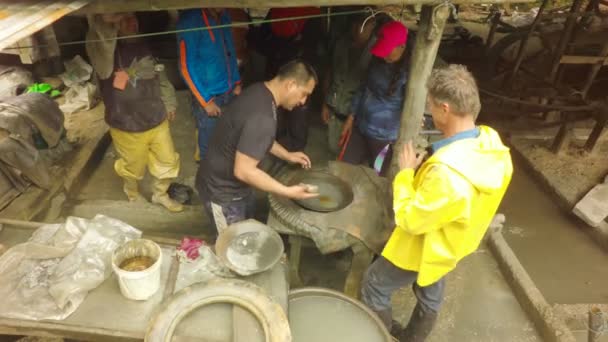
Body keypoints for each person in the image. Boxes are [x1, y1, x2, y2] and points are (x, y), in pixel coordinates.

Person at [360, 65, 514, 341]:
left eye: (430, 105)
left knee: (374, 285)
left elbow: (410, 218)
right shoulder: (493, 144)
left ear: (444, 108)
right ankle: (414, 338)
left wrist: (407, 173)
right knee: (431, 289)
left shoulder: (447, 175)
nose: (427, 110)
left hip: (424, 245)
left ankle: (381, 335)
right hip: (454, 243)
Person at [196, 60, 319, 235]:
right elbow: (244, 171)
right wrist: (287, 191)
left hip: (235, 187)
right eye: (304, 94)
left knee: (246, 233)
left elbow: (256, 138)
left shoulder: (259, 91)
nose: (303, 101)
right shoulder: (263, 116)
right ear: (291, 84)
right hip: (222, 193)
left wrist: (287, 155)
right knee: (232, 246)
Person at [87, 13, 183, 212]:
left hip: (156, 118)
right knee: (133, 167)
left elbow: (160, 75)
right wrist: (106, 24)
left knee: (167, 160)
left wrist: (170, 102)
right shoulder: (103, 52)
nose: (131, 22)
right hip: (126, 124)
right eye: (123, 19)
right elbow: (98, 36)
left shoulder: (145, 44)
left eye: (133, 18)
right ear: (113, 25)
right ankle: (132, 193)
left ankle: (160, 194)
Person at [339, 20, 410, 175]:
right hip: (360, 128)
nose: (384, 55)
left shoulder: (410, 74)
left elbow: (413, 109)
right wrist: (350, 118)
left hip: (383, 139)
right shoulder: (377, 60)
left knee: (378, 174)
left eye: (388, 50)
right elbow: (363, 87)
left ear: (402, 47)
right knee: (344, 169)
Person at [177, 8, 241, 161]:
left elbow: (230, 50)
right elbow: (186, 66)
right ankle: (208, 177)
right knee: (209, 143)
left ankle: (221, 170)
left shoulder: (224, 15)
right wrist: (205, 101)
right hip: (209, 96)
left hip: (229, 89)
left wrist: (237, 81)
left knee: (227, 135)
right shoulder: (190, 20)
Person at [322, 10, 377, 156]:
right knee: (333, 148)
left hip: (358, 119)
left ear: (371, 27)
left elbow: (372, 89)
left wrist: (353, 118)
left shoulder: (376, 52)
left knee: (349, 156)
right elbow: (330, 71)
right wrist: (325, 103)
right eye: (355, 26)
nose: (356, 31)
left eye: (363, 27)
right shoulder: (341, 43)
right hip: (335, 109)